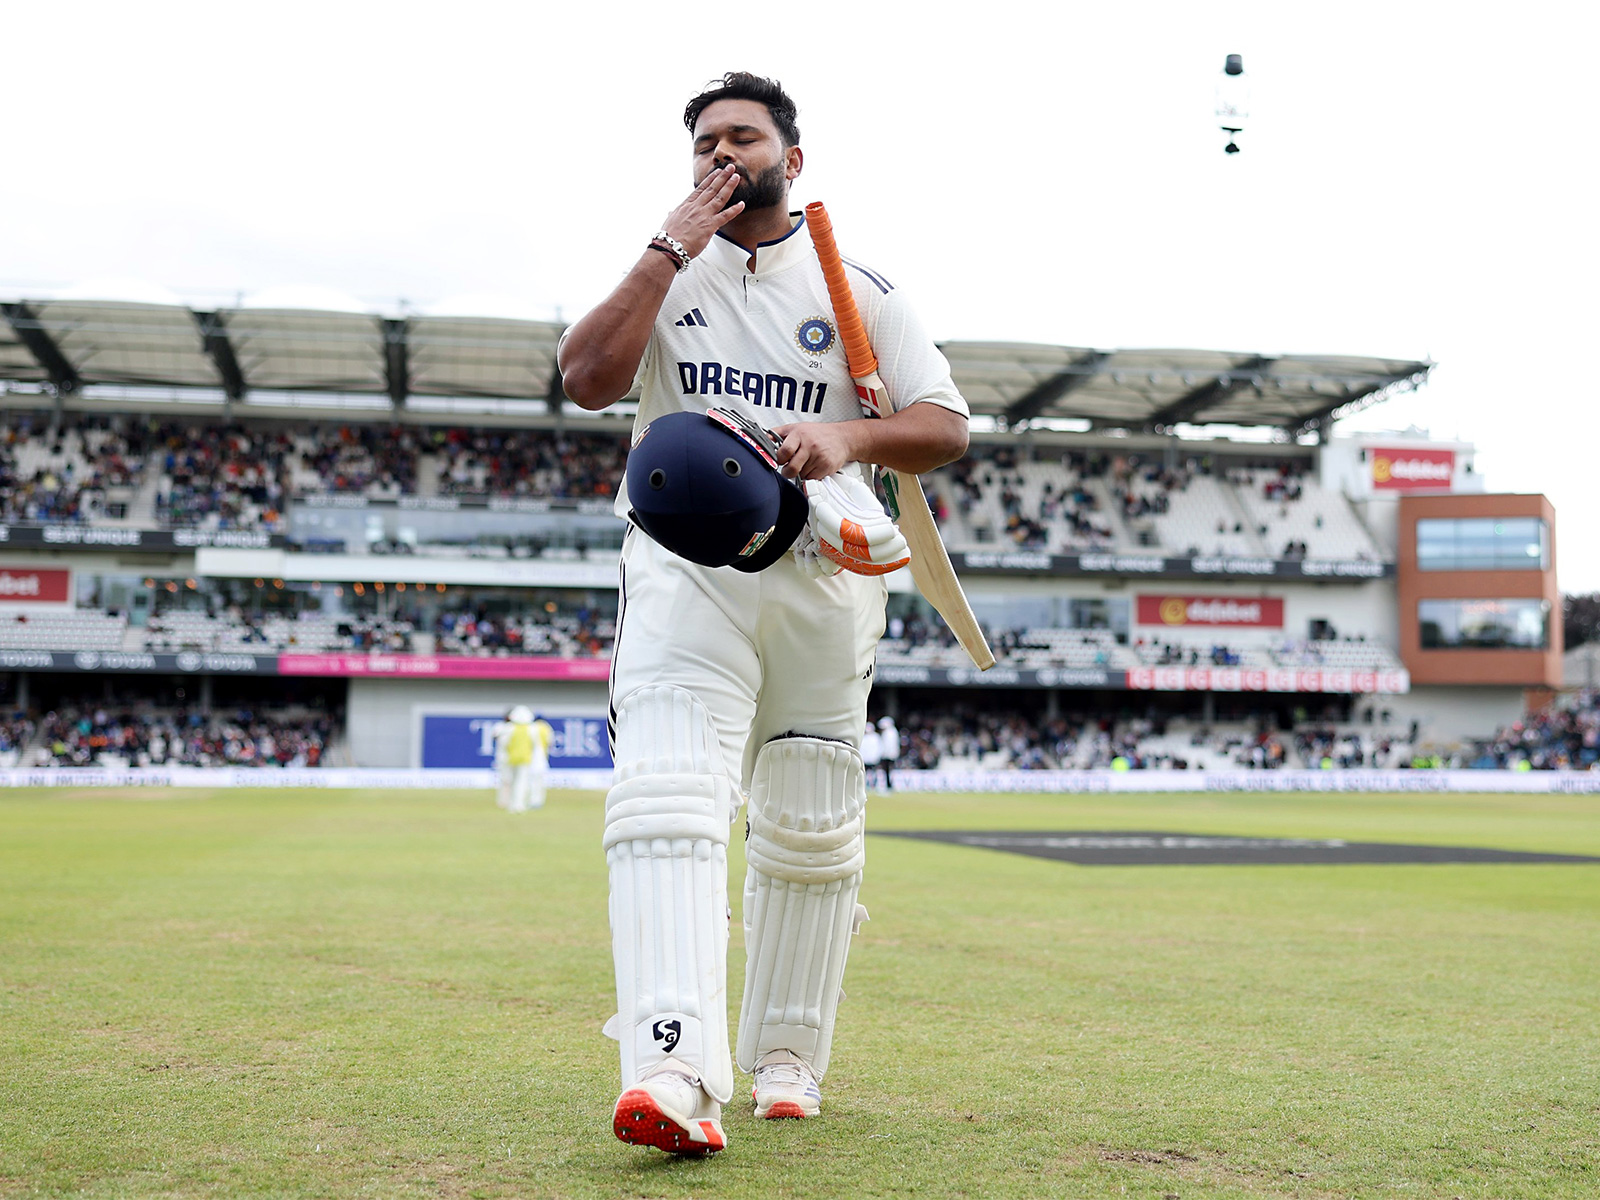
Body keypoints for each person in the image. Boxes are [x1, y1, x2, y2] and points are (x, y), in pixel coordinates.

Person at [558, 71, 970, 1156]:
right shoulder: (664, 277)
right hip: (684, 572)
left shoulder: (861, 294)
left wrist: (850, 441)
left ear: (794, 155)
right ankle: (668, 1064)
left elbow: (943, 425)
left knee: (809, 822)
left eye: (742, 138)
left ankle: (785, 1059)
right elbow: (587, 381)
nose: (721, 157)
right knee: (666, 796)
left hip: (827, 577)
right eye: (704, 145)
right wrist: (664, 247)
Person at [492, 706, 553, 812]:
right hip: (525, 759)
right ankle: (518, 805)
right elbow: (535, 745)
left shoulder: (509, 728)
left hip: (511, 759)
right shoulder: (532, 729)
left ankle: (512, 804)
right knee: (521, 783)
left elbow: (503, 744)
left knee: (510, 782)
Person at [877, 714, 900, 791]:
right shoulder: (893, 731)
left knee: (888, 771)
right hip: (891, 755)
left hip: (888, 755)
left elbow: (887, 745)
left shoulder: (889, 732)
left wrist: (883, 754)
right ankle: (888, 785)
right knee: (888, 771)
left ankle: (889, 785)